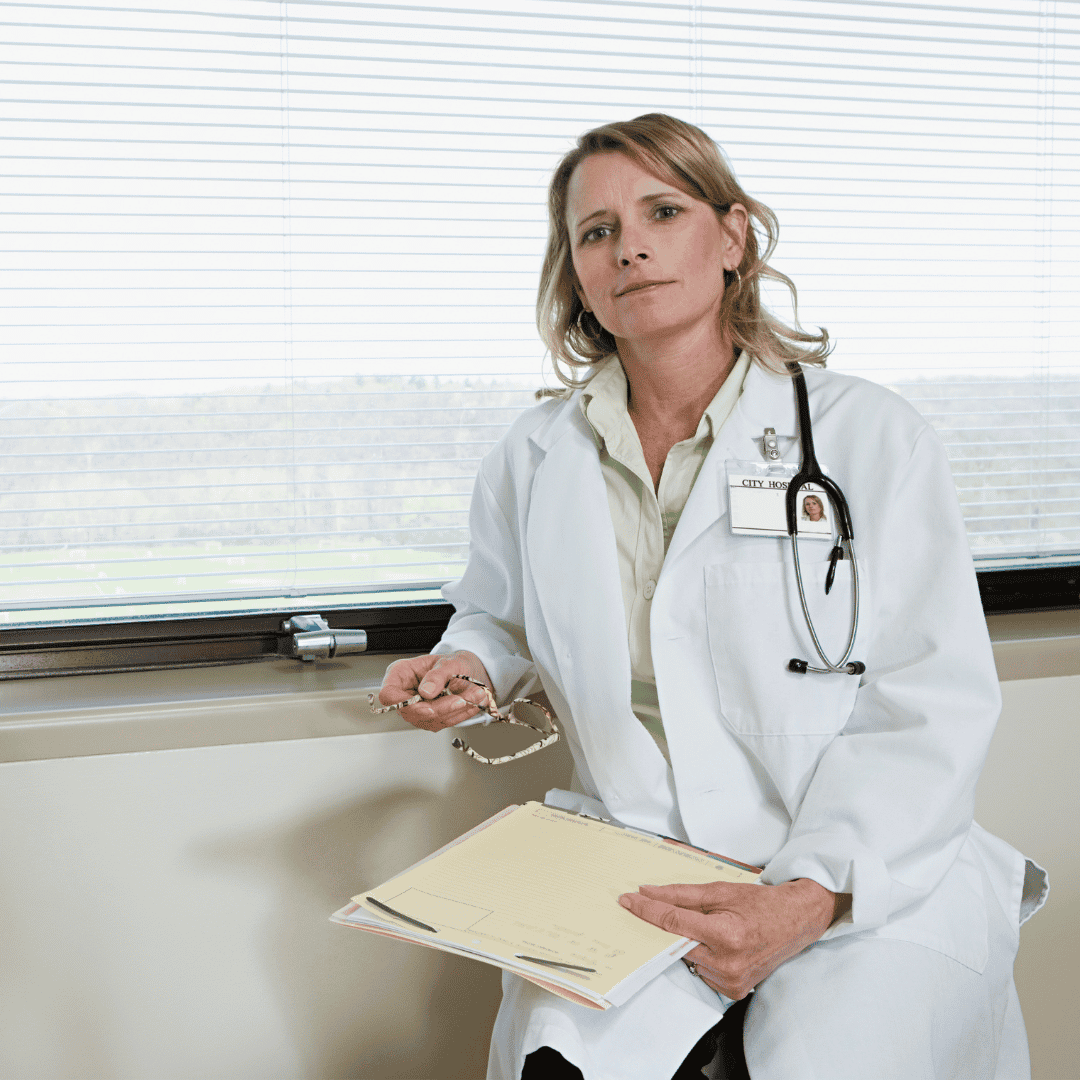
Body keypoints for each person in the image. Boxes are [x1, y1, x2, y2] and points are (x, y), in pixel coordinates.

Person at [377, 114, 1046, 1080]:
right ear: (576, 273)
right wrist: (471, 664)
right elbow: (499, 612)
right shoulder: (534, 457)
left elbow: (929, 703)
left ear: (730, 240)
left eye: (662, 211)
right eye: (595, 231)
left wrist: (811, 894)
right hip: (636, 855)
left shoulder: (871, 438)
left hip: (857, 863)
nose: (630, 246)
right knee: (559, 1068)